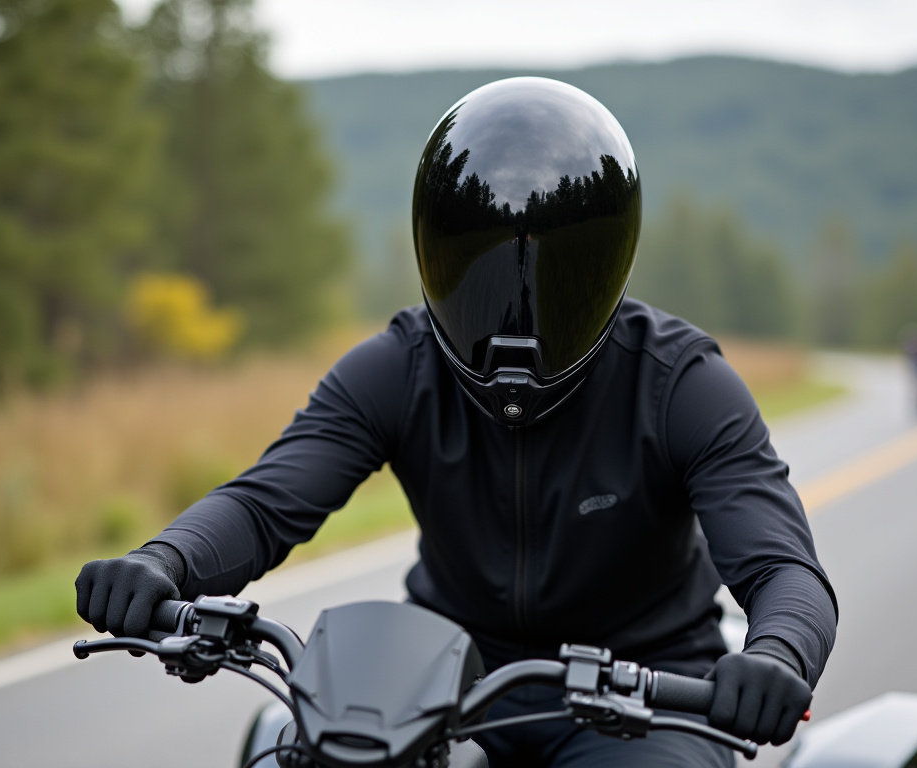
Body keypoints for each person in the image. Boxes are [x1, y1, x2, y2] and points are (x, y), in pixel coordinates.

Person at [76, 77, 837, 767]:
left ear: (608, 268)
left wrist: (776, 653)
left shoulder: (682, 384)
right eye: (478, 269)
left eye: (554, 277)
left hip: (646, 695)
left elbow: (782, 567)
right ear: (432, 255)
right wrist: (164, 559)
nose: (514, 316)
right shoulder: (397, 367)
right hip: (441, 684)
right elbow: (264, 500)